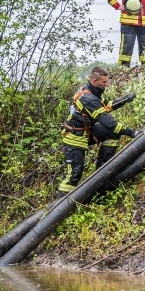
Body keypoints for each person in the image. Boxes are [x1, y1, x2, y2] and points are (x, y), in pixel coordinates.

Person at [57, 66, 136, 197]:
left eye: (107, 81)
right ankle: (59, 208)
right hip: (74, 136)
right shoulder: (88, 98)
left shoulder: (93, 91)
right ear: (94, 81)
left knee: (113, 134)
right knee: (74, 174)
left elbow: (106, 105)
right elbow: (108, 122)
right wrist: (131, 132)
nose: (107, 84)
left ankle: (102, 170)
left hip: (87, 131)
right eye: (104, 82)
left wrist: (125, 99)